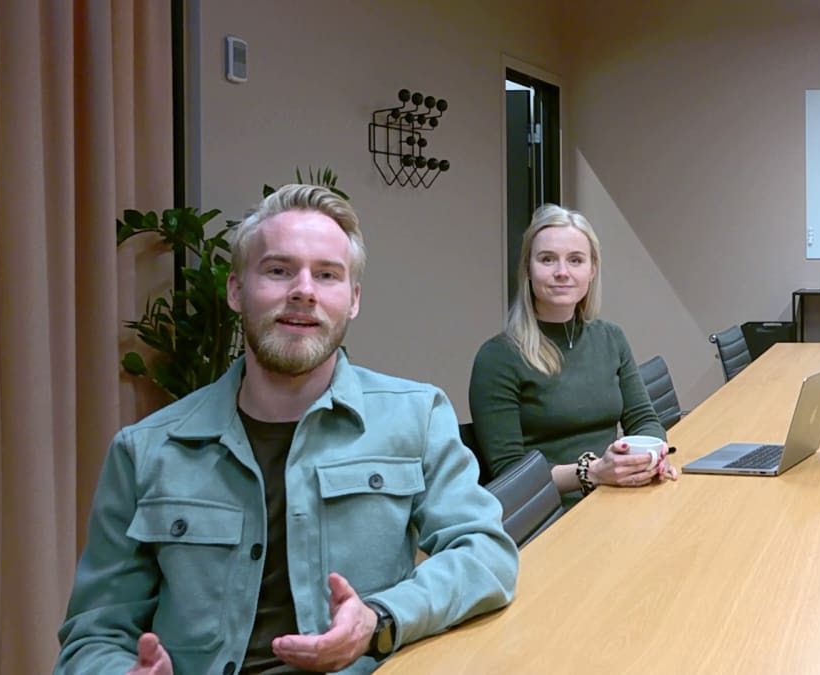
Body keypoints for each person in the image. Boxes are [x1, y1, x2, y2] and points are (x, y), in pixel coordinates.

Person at [56, 184, 518, 675]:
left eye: (327, 274)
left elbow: (484, 553)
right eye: (278, 270)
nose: (303, 290)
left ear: (353, 300)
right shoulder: (145, 451)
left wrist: (379, 619)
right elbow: (94, 635)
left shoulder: (417, 417)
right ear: (236, 289)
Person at [469, 204, 678, 511]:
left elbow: (644, 419)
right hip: (545, 513)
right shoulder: (498, 357)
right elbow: (510, 473)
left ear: (592, 270)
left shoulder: (611, 338)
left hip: (614, 496)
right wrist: (592, 472)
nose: (562, 272)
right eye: (547, 259)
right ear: (527, 268)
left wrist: (649, 458)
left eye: (576, 260)